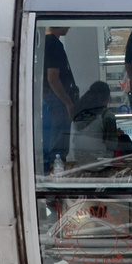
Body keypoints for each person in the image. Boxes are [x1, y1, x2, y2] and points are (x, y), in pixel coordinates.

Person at [42, 26, 78, 174]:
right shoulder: (54, 44)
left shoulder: (44, 42)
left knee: (54, 134)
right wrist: (67, 102)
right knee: (60, 136)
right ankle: (56, 168)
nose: (69, 26)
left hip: (50, 96)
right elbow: (53, 78)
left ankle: (53, 166)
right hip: (58, 97)